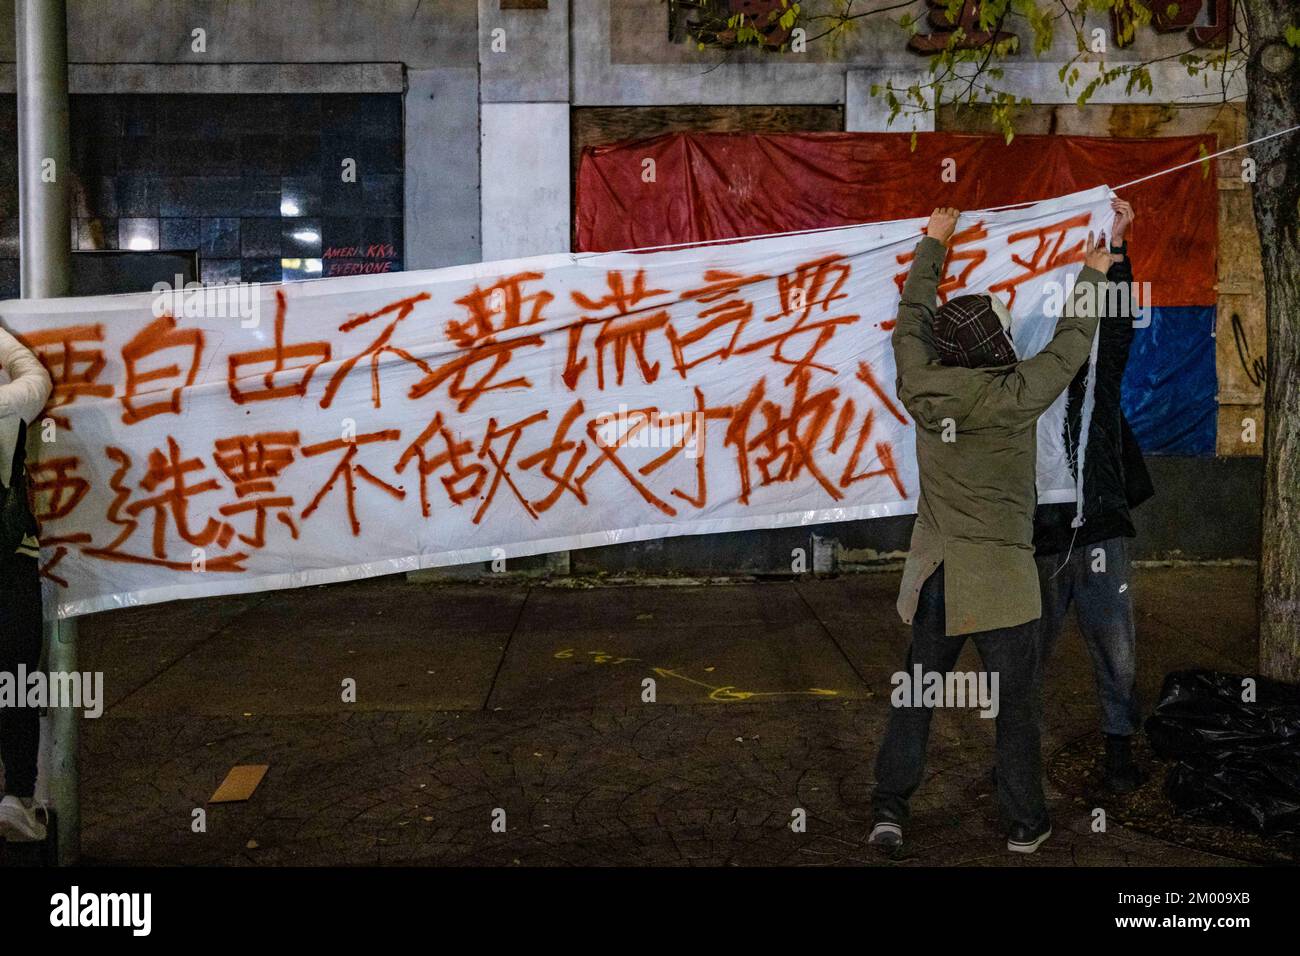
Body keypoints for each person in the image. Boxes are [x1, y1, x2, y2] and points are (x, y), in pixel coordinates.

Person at [869, 207, 1117, 855]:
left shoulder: (921, 385)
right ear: (998, 346)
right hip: (1005, 583)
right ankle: (1024, 822)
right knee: (1017, 709)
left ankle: (890, 809)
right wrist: (1094, 271)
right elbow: (1071, 344)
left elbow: (911, 320)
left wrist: (935, 242)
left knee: (917, 693)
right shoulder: (1016, 394)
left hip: (938, 577)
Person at [1032, 198, 1154, 794]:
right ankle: (1017, 754)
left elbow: (1118, 325)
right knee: (1027, 649)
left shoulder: (1095, 374)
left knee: (1116, 650)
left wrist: (1119, 253)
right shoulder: (1013, 383)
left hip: (1099, 520)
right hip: (1039, 529)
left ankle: (1118, 754)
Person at [0, 323, 53, 843]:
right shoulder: (8, 403)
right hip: (8, 559)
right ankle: (17, 794)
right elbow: (35, 377)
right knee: (15, 677)